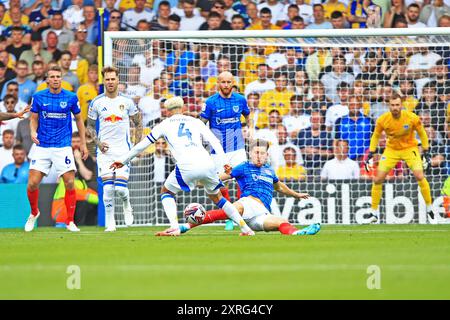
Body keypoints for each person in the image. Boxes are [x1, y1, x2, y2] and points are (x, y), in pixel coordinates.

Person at [110, 96, 256, 237]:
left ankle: (174, 227)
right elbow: (214, 141)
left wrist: (123, 160)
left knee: (166, 191)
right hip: (207, 163)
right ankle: (245, 227)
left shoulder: (164, 124)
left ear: (167, 111)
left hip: (187, 165)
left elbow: (141, 146)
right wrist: (225, 162)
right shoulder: (195, 121)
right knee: (218, 198)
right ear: (183, 108)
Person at [174, 139, 320, 236]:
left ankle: (298, 233)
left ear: (266, 155)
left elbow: (279, 187)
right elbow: (219, 177)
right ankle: (184, 227)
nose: (259, 156)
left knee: (282, 222)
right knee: (232, 209)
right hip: (247, 203)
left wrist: (296, 194)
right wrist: (196, 181)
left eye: (262, 153)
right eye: (256, 152)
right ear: (250, 153)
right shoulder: (243, 167)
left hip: (261, 214)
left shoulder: (269, 170)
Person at [24, 65, 88, 233]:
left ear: (61, 78)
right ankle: (34, 212)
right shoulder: (38, 96)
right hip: (42, 145)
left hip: (62, 146)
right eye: (52, 77)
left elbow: (79, 120)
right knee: (32, 184)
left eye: (58, 76)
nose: (55, 79)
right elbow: (33, 118)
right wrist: (32, 131)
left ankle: (70, 221)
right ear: (47, 80)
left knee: (69, 182)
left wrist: (83, 143)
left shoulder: (71, 97)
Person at [87, 66, 143, 232]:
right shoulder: (96, 102)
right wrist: (97, 143)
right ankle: (110, 223)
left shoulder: (127, 102)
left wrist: (136, 147)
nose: (110, 82)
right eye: (107, 79)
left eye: (113, 79)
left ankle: (126, 203)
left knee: (120, 189)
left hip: (123, 151)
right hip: (105, 152)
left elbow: (138, 123)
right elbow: (89, 126)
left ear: (118, 80)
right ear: (103, 80)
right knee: (108, 189)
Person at [365, 93, 436, 224]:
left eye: (397, 105)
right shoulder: (382, 119)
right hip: (391, 150)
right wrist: (371, 152)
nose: (395, 108)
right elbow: (375, 136)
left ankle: (430, 209)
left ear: (401, 105)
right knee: (378, 179)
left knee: (420, 176)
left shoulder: (412, 117)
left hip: (410, 149)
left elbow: (422, 133)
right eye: (392, 105)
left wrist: (426, 150)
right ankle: (373, 213)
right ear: (389, 106)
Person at [200, 71, 253, 231]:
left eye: (229, 82)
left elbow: (248, 115)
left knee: (242, 178)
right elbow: (201, 123)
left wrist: (250, 127)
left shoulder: (240, 99)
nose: (226, 85)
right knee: (220, 183)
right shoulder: (210, 103)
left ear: (233, 83)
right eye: (223, 82)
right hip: (218, 151)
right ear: (218, 83)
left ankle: (242, 212)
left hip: (237, 148)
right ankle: (230, 216)